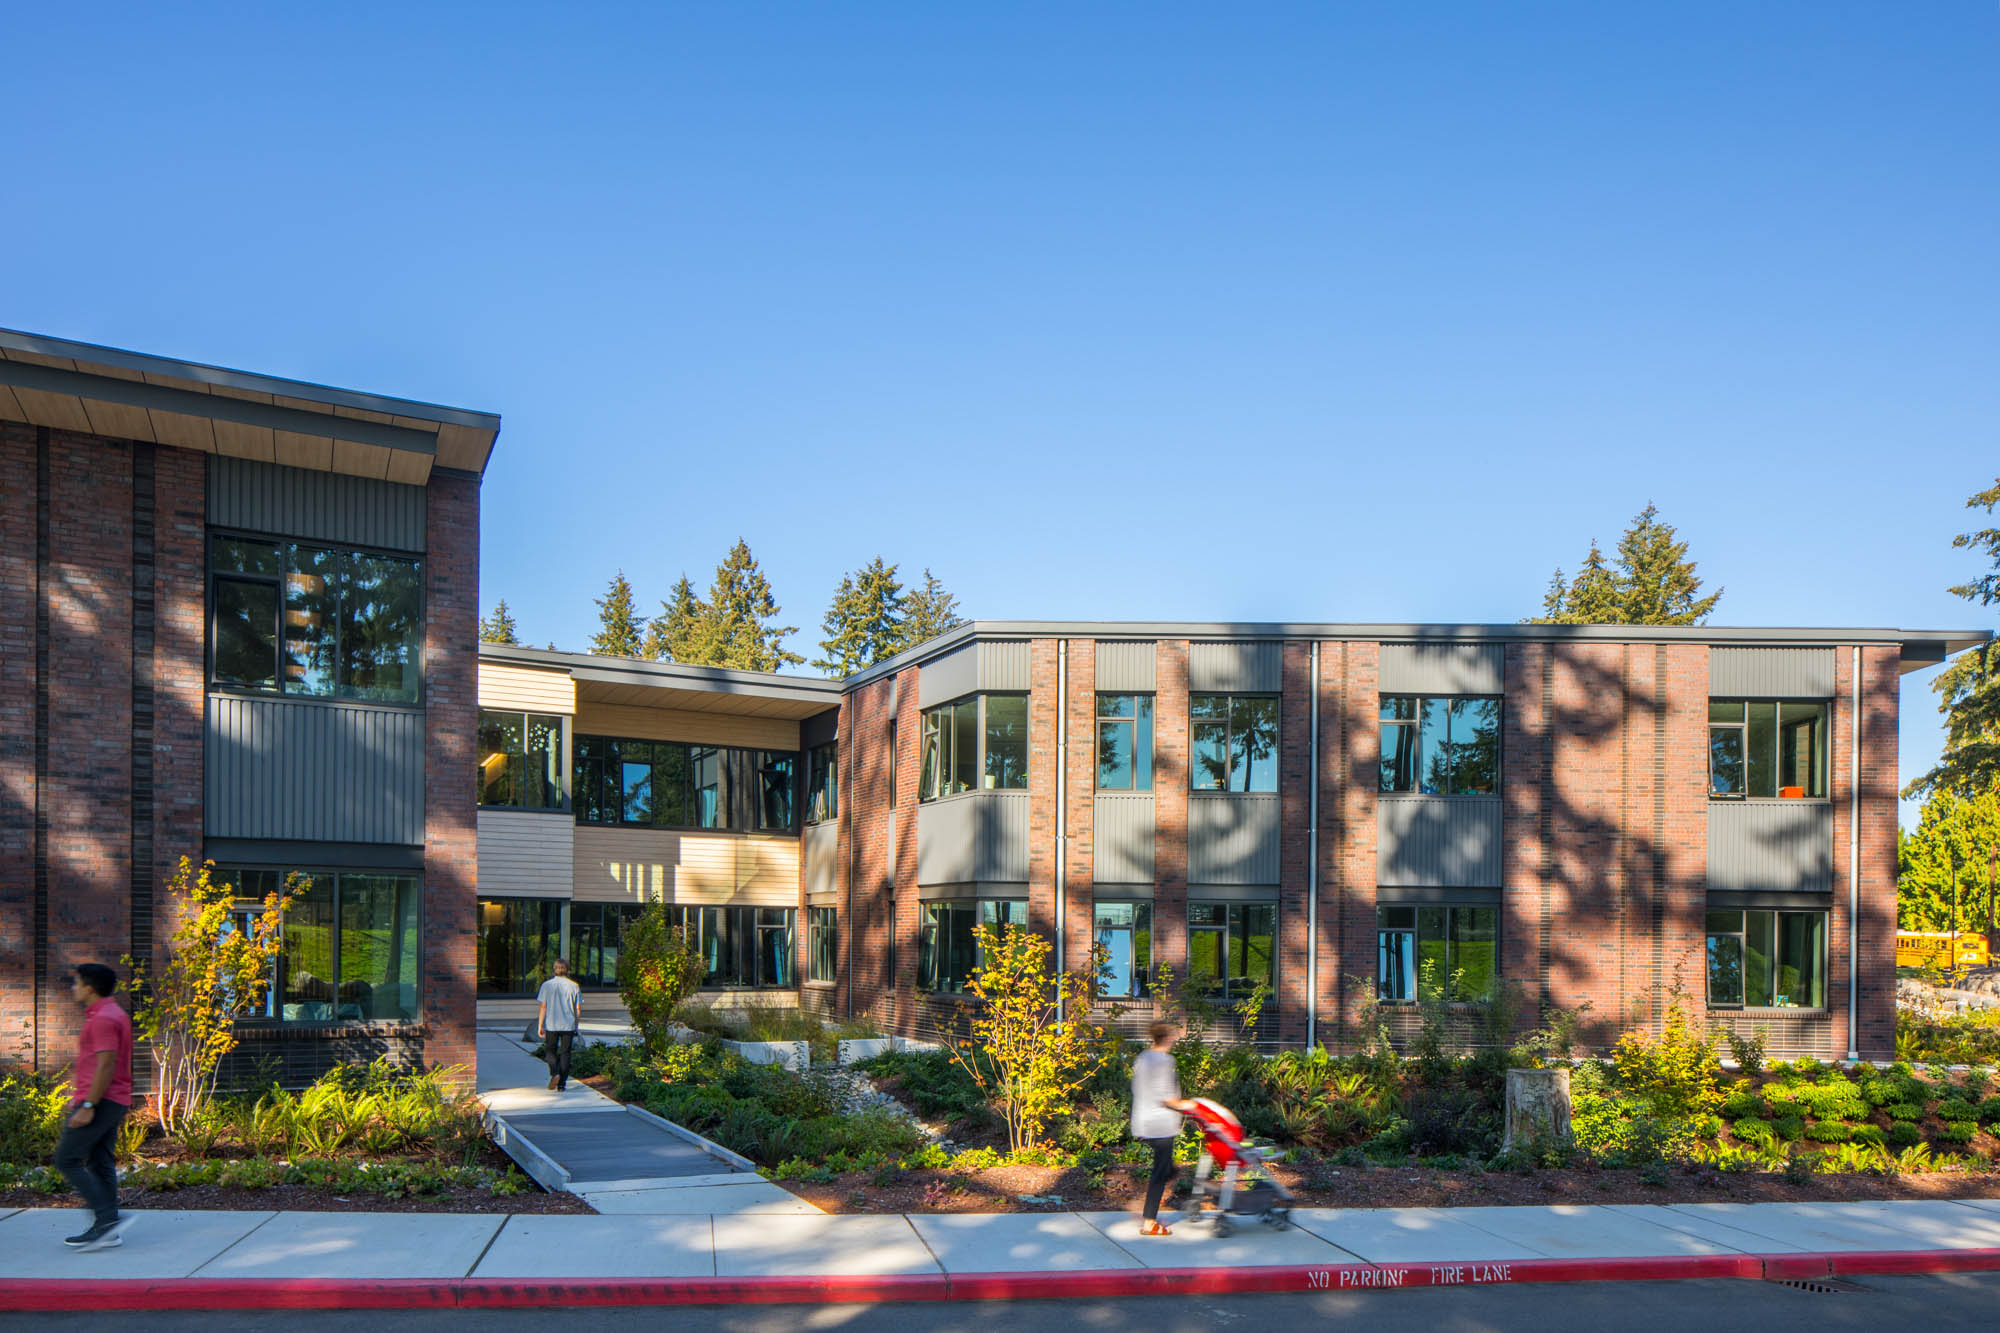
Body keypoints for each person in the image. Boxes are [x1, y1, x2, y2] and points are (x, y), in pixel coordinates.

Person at [55, 962, 135, 1252]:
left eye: (76, 983)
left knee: (66, 1159)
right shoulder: (113, 1013)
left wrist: (89, 1104)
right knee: (100, 1162)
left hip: (100, 1100)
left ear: (90, 988)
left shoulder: (103, 1018)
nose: (73, 988)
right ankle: (107, 1228)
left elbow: (106, 1064)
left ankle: (107, 1221)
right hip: (112, 1098)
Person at [1129, 1019, 1196, 1237]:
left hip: (1143, 1122)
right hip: (1161, 1125)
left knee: (1168, 1169)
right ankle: (1149, 1222)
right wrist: (1190, 1106)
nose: (1176, 1039)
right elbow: (1167, 1097)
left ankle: (1145, 1204)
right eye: (1174, 1035)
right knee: (1161, 1173)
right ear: (1166, 1038)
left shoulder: (1142, 1058)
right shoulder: (1165, 1061)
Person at [536, 958, 583, 1091]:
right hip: (568, 1025)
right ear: (567, 970)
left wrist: (540, 1025)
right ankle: (562, 1084)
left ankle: (555, 1072)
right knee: (565, 1054)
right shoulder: (574, 986)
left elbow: (543, 1006)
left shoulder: (547, 985)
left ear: (554, 969)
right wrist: (576, 1025)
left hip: (552, 1024)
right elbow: (578, 1009)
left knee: (550, 1051)